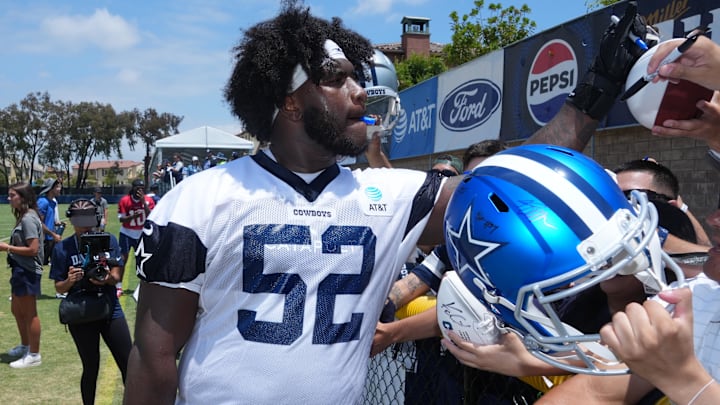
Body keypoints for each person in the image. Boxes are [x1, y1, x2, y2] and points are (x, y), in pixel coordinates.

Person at [124, 2, 651, 403]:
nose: (359, 91)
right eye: (335, 79)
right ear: (288, 102)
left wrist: (596, 90)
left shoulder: (388, 195)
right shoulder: (199, 199)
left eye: (357, 76)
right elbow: (154, 355)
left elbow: (512, 184)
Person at [49, 199, 131, 405]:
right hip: (81, 312)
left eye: (89, 218)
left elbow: (117, 275)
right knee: (91, 366)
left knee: (128, 363)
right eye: (79, 219)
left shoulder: (109, 240)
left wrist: (106, 279)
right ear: (72, 220)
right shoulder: (63, 249)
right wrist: (70, 280)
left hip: (109, 306)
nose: (85, 225)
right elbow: (59, 287)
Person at [2, 182, 44, 368]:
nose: (9, 198)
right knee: (17, 311)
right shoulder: (24, 216)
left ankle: (34, 354)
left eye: (12, 195)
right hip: (19, 269)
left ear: (23, 197)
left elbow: (33, 249)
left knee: (29, 313)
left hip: (27, 271)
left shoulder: (28, 219)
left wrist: (7, 247)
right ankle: (25, 346)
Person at [117, 179, 154, 298]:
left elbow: (152, 217)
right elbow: (121, 219)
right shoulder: (125, 200)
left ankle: (142, 286)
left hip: (142, 233)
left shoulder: (148, 200)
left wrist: (144, 203)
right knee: (123, 258)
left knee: (143, 259)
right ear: (133, 188)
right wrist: (133, 216)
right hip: (127, 232)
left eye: (142, 188)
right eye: (138, 188)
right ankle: (118, 286)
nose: (140, 190)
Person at [37, 178, 62, 266]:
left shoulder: (52, 203)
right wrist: (53, 234)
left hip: (51, 239)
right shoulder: (43, 202)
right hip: (44, 240)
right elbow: (39, 223)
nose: (60, 189)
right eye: (57, 187)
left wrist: (56, 224)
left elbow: (48, 220)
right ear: (51, 189)